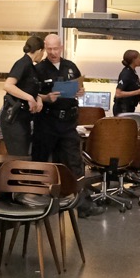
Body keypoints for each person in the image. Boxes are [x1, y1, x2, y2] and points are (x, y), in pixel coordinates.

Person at [33, 33, 84, 177]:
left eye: (55, 49)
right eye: (49, 49)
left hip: (68, 122)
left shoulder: (70, 66)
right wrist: (47, 98)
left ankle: (76, 189)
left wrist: (81, 91)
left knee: (73, 161)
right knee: (41, 161)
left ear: (61, 48)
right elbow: (32, 95)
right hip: (47, 121)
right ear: (45, 48)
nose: (53, 52)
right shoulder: (39, 69)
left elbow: (80, 85)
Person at [0, 35, 46, 158]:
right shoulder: (22, 64)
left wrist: (38, 98)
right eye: (43, 52)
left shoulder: (31, 67)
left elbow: (28, 88)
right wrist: (29, 98)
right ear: (40, 50)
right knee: (19, 156)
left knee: (24, 155)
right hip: (14, 118)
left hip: (24, 118)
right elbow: (8, 85)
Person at [113, 49, 140, 116]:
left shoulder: (133, 72)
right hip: (123, 108)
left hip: (130, 106)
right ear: (133, 60)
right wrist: (138, 92)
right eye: (139, 57)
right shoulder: (126, 74)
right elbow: (118, 93)